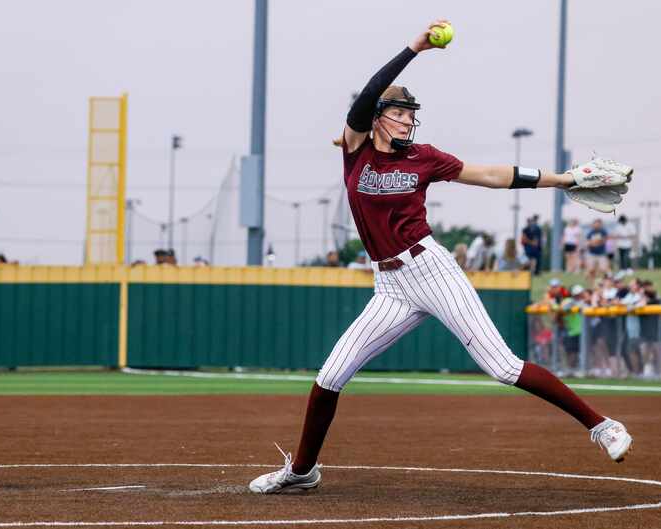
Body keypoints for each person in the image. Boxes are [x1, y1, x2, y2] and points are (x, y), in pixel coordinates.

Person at [249, 21, 633, 494]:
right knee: (330, 375)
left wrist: (562, 179)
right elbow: (366, 95)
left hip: (430, 269)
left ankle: (601, 425)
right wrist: (415, 47)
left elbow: (491, 175)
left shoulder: (423, 157)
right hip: (389, 286)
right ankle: (302, 471)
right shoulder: (355, 149)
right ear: (377, 116)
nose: (409, 120)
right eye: (400, 112)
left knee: (502, 366)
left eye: (412, 113)